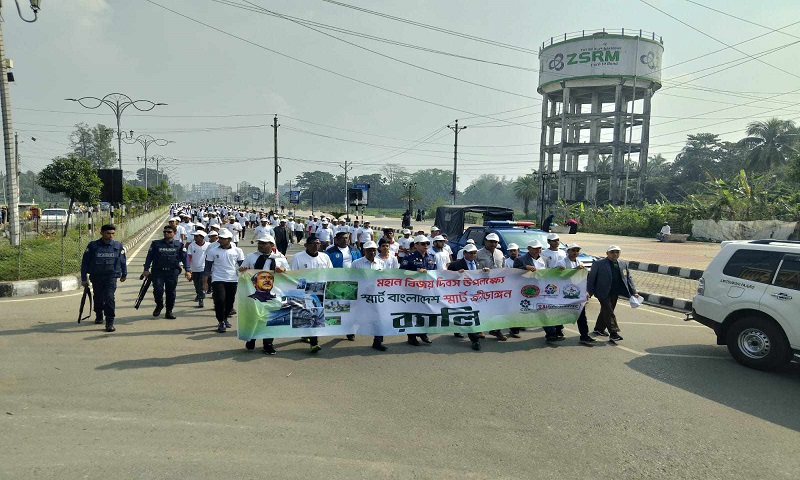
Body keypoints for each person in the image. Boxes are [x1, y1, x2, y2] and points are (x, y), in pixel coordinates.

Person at [240, 235, 288, 355]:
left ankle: (268, 344)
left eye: (264, 243)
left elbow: (289, 272)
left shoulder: (280, 258)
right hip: (254, 293)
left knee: (271, 318)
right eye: (259, 243)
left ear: (271, 245)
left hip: (274, 293)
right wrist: (243, 270)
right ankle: (251, 338)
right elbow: (241, 272)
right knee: (255, 316)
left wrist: (283, 270)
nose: (260, 245)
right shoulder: (251, 257)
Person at [290, 236, 333, 353]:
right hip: (303, 291)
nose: (316, 246)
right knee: (305, 315)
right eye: (313, 243)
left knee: (315, 315)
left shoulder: (325, 257)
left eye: (318, 243)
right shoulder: (298, 257)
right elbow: (293, 275)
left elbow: (330, 272)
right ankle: (306, 335)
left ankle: (314, 343)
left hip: (320, 291)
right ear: (306, 245)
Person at [80, 224, 127, 332]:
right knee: (98, 297)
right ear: (101, 233)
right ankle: (98, 313)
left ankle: (109, 321)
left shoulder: (118, 245)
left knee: (109, 298)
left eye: (112, 233)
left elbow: (122, 260)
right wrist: (83, 279)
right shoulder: (92, 246)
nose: (110, 236)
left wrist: (124, 273)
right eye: (108, 233)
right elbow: (85, 262)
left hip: (111, 276)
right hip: (96, 276)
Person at [587, 245, 639, 343]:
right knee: (609, 311)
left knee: (606, 311)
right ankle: (614, 333)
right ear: (607, 253)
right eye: (612, 252)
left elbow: (628, 278)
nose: (615, 254)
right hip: (602, 292)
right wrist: (589, 291)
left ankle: (599, 328)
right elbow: (591, 278)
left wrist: (634, 291)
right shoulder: (599, 264)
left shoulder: (623, 264)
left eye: (617, 252)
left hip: (615, 292)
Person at [143, 224, 190, 320]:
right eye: (165, 232)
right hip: (158, 272)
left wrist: (188, 270)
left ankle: (169, 311)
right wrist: (146, 269)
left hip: (172, 272)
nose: (166, 233)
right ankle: (159, 305)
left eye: (169, 232)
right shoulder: (156, 244)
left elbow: (185, 258)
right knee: (158, 290)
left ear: (175, 233)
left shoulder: (179, 245)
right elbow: (149, 257)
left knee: (171, 292)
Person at [203, 229, 244, 333]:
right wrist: (205, 282)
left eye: (223, 238)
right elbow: (207, 267)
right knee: (220, 300)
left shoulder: (237, 251)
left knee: (230, 302)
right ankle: (221, 321)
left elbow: (242, 265)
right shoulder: (213, 251)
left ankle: (225, 318)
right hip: (217, 279)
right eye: (220, 238)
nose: (220, 240)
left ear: (229, 239)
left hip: (232, 279)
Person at [554, 243, 596, 345]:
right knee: (562, 312)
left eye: (577, 251)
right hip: (564, 293)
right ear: (568, 251)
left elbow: (583, 279)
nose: (575, 253)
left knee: (581, 314)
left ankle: (584, 335)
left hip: (576, 292)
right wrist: (574, 270)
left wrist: (586, 291)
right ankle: (557, 330)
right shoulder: (561, 262)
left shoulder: (579, 263)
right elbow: (560, 276)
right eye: (573, 250)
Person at [447, 243, 487, 350]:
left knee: (473, 315)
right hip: (461, 295)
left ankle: (470, 334)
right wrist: (456, 275)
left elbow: (484, 278)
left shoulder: (480, 264)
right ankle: (474, 340)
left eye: (474, 253)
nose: (473, 255)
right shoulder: (455, 265)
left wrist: (486, 272)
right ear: (464, 253)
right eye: (470, 253)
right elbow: (447, 279)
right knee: (467, 315)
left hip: (476, 294)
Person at [351, 241, 389, 351]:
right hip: (361, 295)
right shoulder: (356, 263)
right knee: (356, 315)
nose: (372, 252)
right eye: (369, 250)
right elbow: (352, 278)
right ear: (364, 251)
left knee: (379, 317)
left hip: (376, 295)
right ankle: (350, 331)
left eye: (373, 250)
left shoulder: (381, 263)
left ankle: (378, 341)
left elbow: (384, 277)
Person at [399, 235, 436, 346]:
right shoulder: (409, 257)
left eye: (427, 243)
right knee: (412, 314)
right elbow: (401, 273)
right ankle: (411, 337)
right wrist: (416, 273)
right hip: (412, 290)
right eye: (423, 244)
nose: (426, 246)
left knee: (425, 313)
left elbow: (435, 272)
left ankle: (423, 333)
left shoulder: (431, 257)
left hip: (426, 290)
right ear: (416, 245)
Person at [476, 232, 508, 341]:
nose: (493, 244)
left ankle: (496, 330)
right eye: (491, 241)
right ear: (485, 241)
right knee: (482, 308)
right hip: (482, 285)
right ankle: (480, 329)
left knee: (498, 308)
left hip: (497, 286)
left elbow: (503, 268)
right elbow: (473, 269)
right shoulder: (478, 254)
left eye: (495, 242)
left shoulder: (500, 253)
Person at [187, 230, 211, 308]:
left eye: (197, 236)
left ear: (202, 237)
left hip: (204, 268)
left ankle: (201, 298)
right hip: (194, 268)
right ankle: (199, 294)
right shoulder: (191, 246)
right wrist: (188, 268)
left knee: (201, 282)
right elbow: (189, 256)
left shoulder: (208, 245)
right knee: (196, 284)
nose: (195, 237)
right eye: (195, 236)